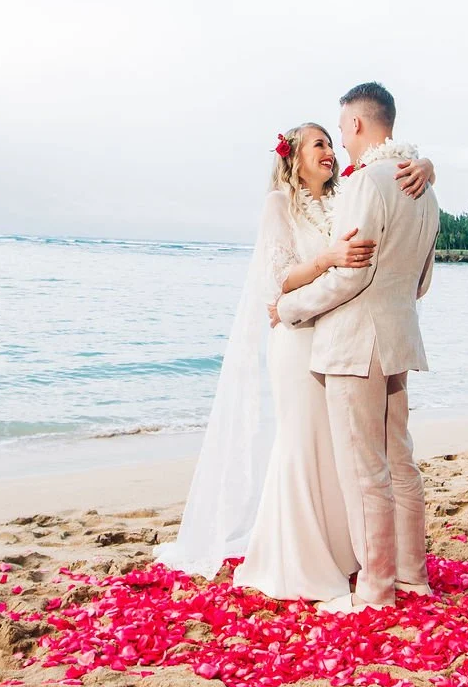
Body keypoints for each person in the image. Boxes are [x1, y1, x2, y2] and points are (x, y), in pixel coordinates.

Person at [155, 121, 434, 598]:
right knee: (303, 442)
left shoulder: (347, 193)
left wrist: (428, 167)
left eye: (332, 141)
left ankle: (342, 552)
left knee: (337, 450)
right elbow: (278, 277)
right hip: (298, 337)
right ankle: (299, 558)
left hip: (337, 335)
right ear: (293, 157)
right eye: (318, 145)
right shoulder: (279, 205)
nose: (329, 151)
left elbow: (384, 215)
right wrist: (328, 259)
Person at [272, 82, 440, 614]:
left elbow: (351, 275)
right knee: (401, 462)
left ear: (359, 126)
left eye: (342, 130)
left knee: (365, 469)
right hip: (398, 338)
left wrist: (290, 310)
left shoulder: (368, 182)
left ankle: (375, 589)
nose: (341, 144)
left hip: (355, 346)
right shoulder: (423, 187)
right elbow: (421, 281)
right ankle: (413, 577)